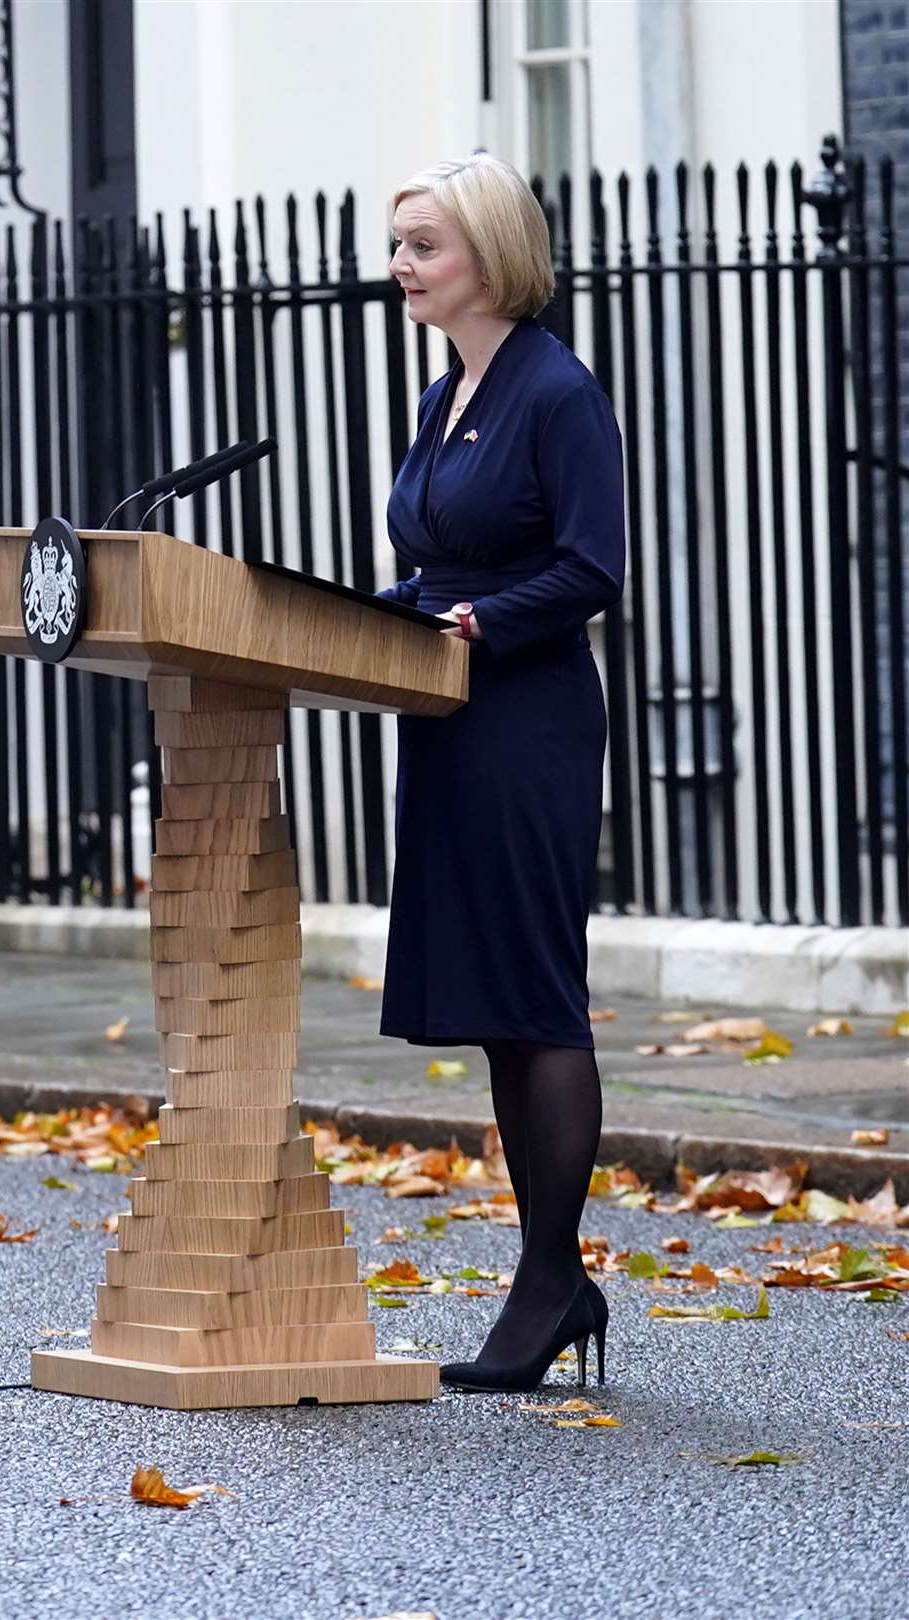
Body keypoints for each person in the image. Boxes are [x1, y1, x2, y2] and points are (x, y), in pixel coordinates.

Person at [374, 153, 626, 1394]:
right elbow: (430, 567)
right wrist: (352, 622)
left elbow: (590, 569)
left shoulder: (556, 391)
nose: (401, 265)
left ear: (490, 253)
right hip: (447, 723)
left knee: (537, 998)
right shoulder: (447, 394)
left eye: (423, 244)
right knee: (494, 1011)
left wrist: (478, 623)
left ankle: (549, 1281)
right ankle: (550, 1273)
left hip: (524, 721)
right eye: (398, 245)